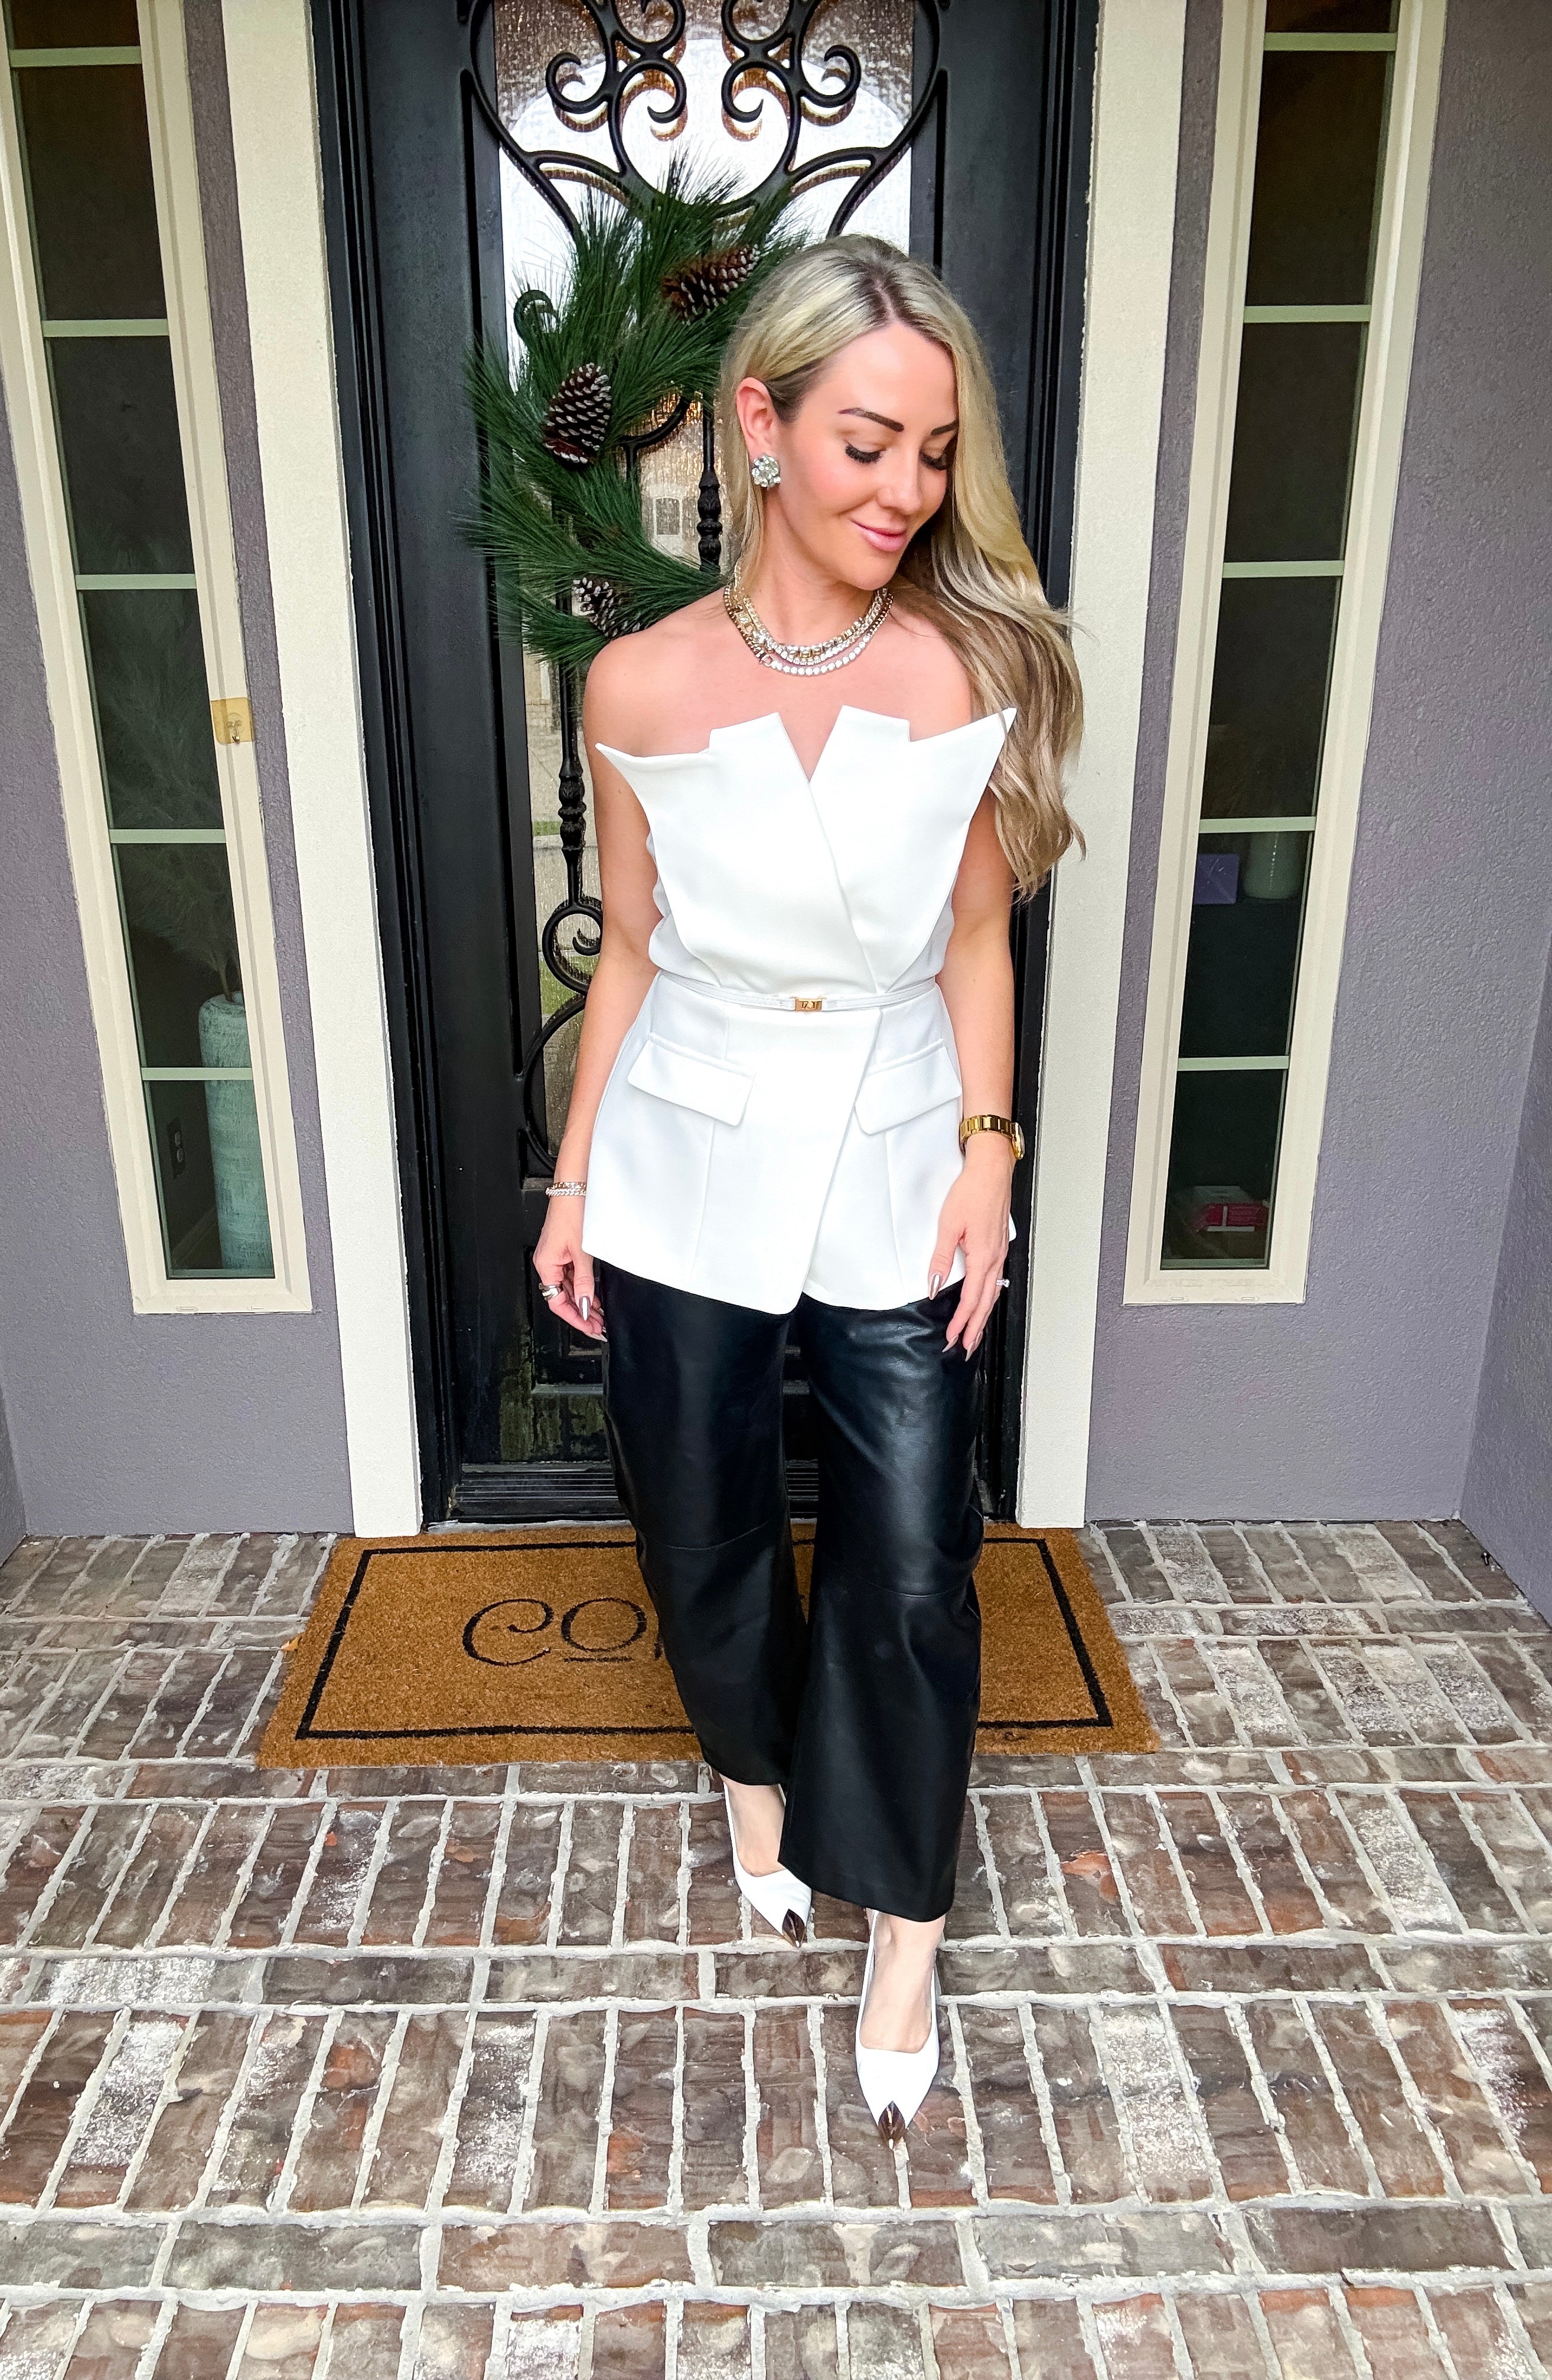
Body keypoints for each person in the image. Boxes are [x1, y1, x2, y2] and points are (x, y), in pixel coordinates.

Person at [532, 234, 1082, 2142]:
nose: (903, 492)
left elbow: (976, 943)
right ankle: (751, 1781)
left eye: (932, 453)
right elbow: (628, 946)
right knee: (693, 1513)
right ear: (758, 425)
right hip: (682, 1137)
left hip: (898, 1142)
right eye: (866, 444)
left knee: (914, 1550)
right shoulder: (635, 682)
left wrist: (989, 1157)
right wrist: (573, 1179)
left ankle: (905, 1922)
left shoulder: (963, 669)